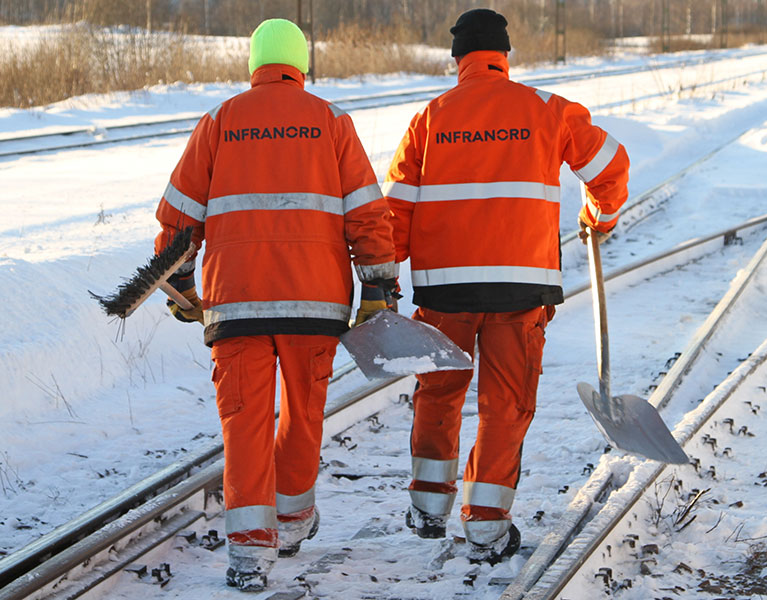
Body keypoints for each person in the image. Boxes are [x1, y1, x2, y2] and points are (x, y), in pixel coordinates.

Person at [152, 18, 396, 592]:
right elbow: (367, 214)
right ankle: (291, 521)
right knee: (304, 413)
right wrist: (378, 290)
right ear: (302, 64)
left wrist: (184, 290)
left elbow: (176, 220)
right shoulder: (332, 122)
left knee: (245, 423)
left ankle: (247, 554)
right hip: (315, 305)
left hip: (235, 305)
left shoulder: (219, 121)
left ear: (255, 63)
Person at [382, 8, 630, 565]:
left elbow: (393, 214)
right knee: (506, 405)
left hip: (444, 294)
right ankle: (487, 528)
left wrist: (382, 279)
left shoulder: (431, 117)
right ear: (505, 57)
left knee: (439, 393)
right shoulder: (546, 110)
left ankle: (427, 508)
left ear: (457, 60)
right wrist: (598, 215)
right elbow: (611, 168)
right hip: (521, 292)